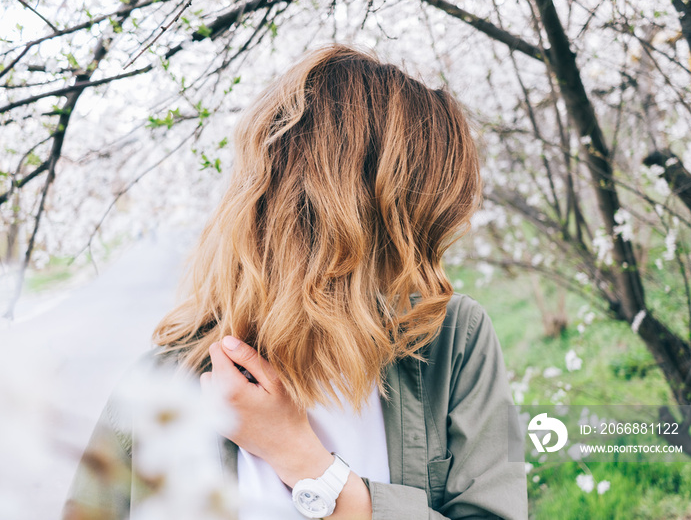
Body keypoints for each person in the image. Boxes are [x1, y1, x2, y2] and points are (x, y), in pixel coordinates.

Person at [62, 44, 528, 520]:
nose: (437, 248)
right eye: (427, 219)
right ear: (373, 214)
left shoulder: (453, 340)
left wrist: (300, 458)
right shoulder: (159, 387)